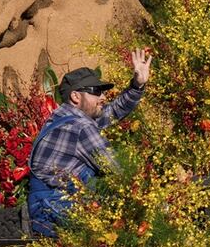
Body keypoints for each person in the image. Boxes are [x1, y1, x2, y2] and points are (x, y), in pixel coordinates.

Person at [28, 49, 151, 237]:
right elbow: (118, 171)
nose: (103, 97)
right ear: (76, 96)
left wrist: (137, 85)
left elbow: (112, 112)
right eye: (96, 92)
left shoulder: (61, 117)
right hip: (57, 211)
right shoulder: (80, 127)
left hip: (45, 208)